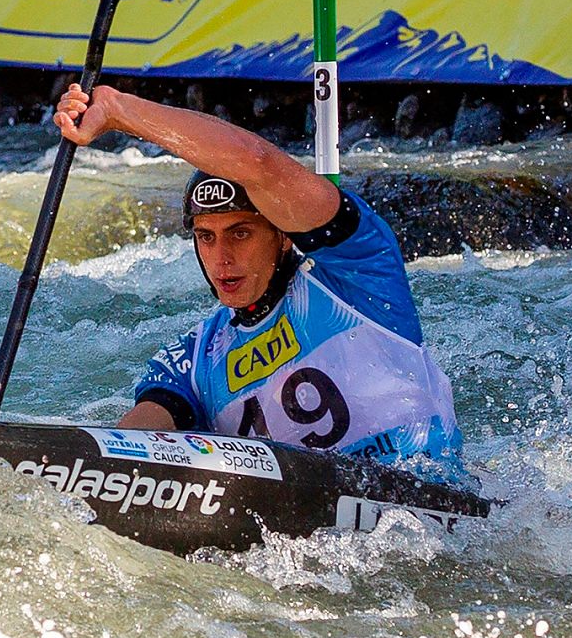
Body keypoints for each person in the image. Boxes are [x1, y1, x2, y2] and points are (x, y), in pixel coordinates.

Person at [53, 82, 463, 473]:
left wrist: (120, 111)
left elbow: (260, 164)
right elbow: (138, 436)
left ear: (283, 234)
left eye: (241, 233)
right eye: (206, 237)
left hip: (426, 510)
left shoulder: (357, 273)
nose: (222, 258)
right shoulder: (193, 360)